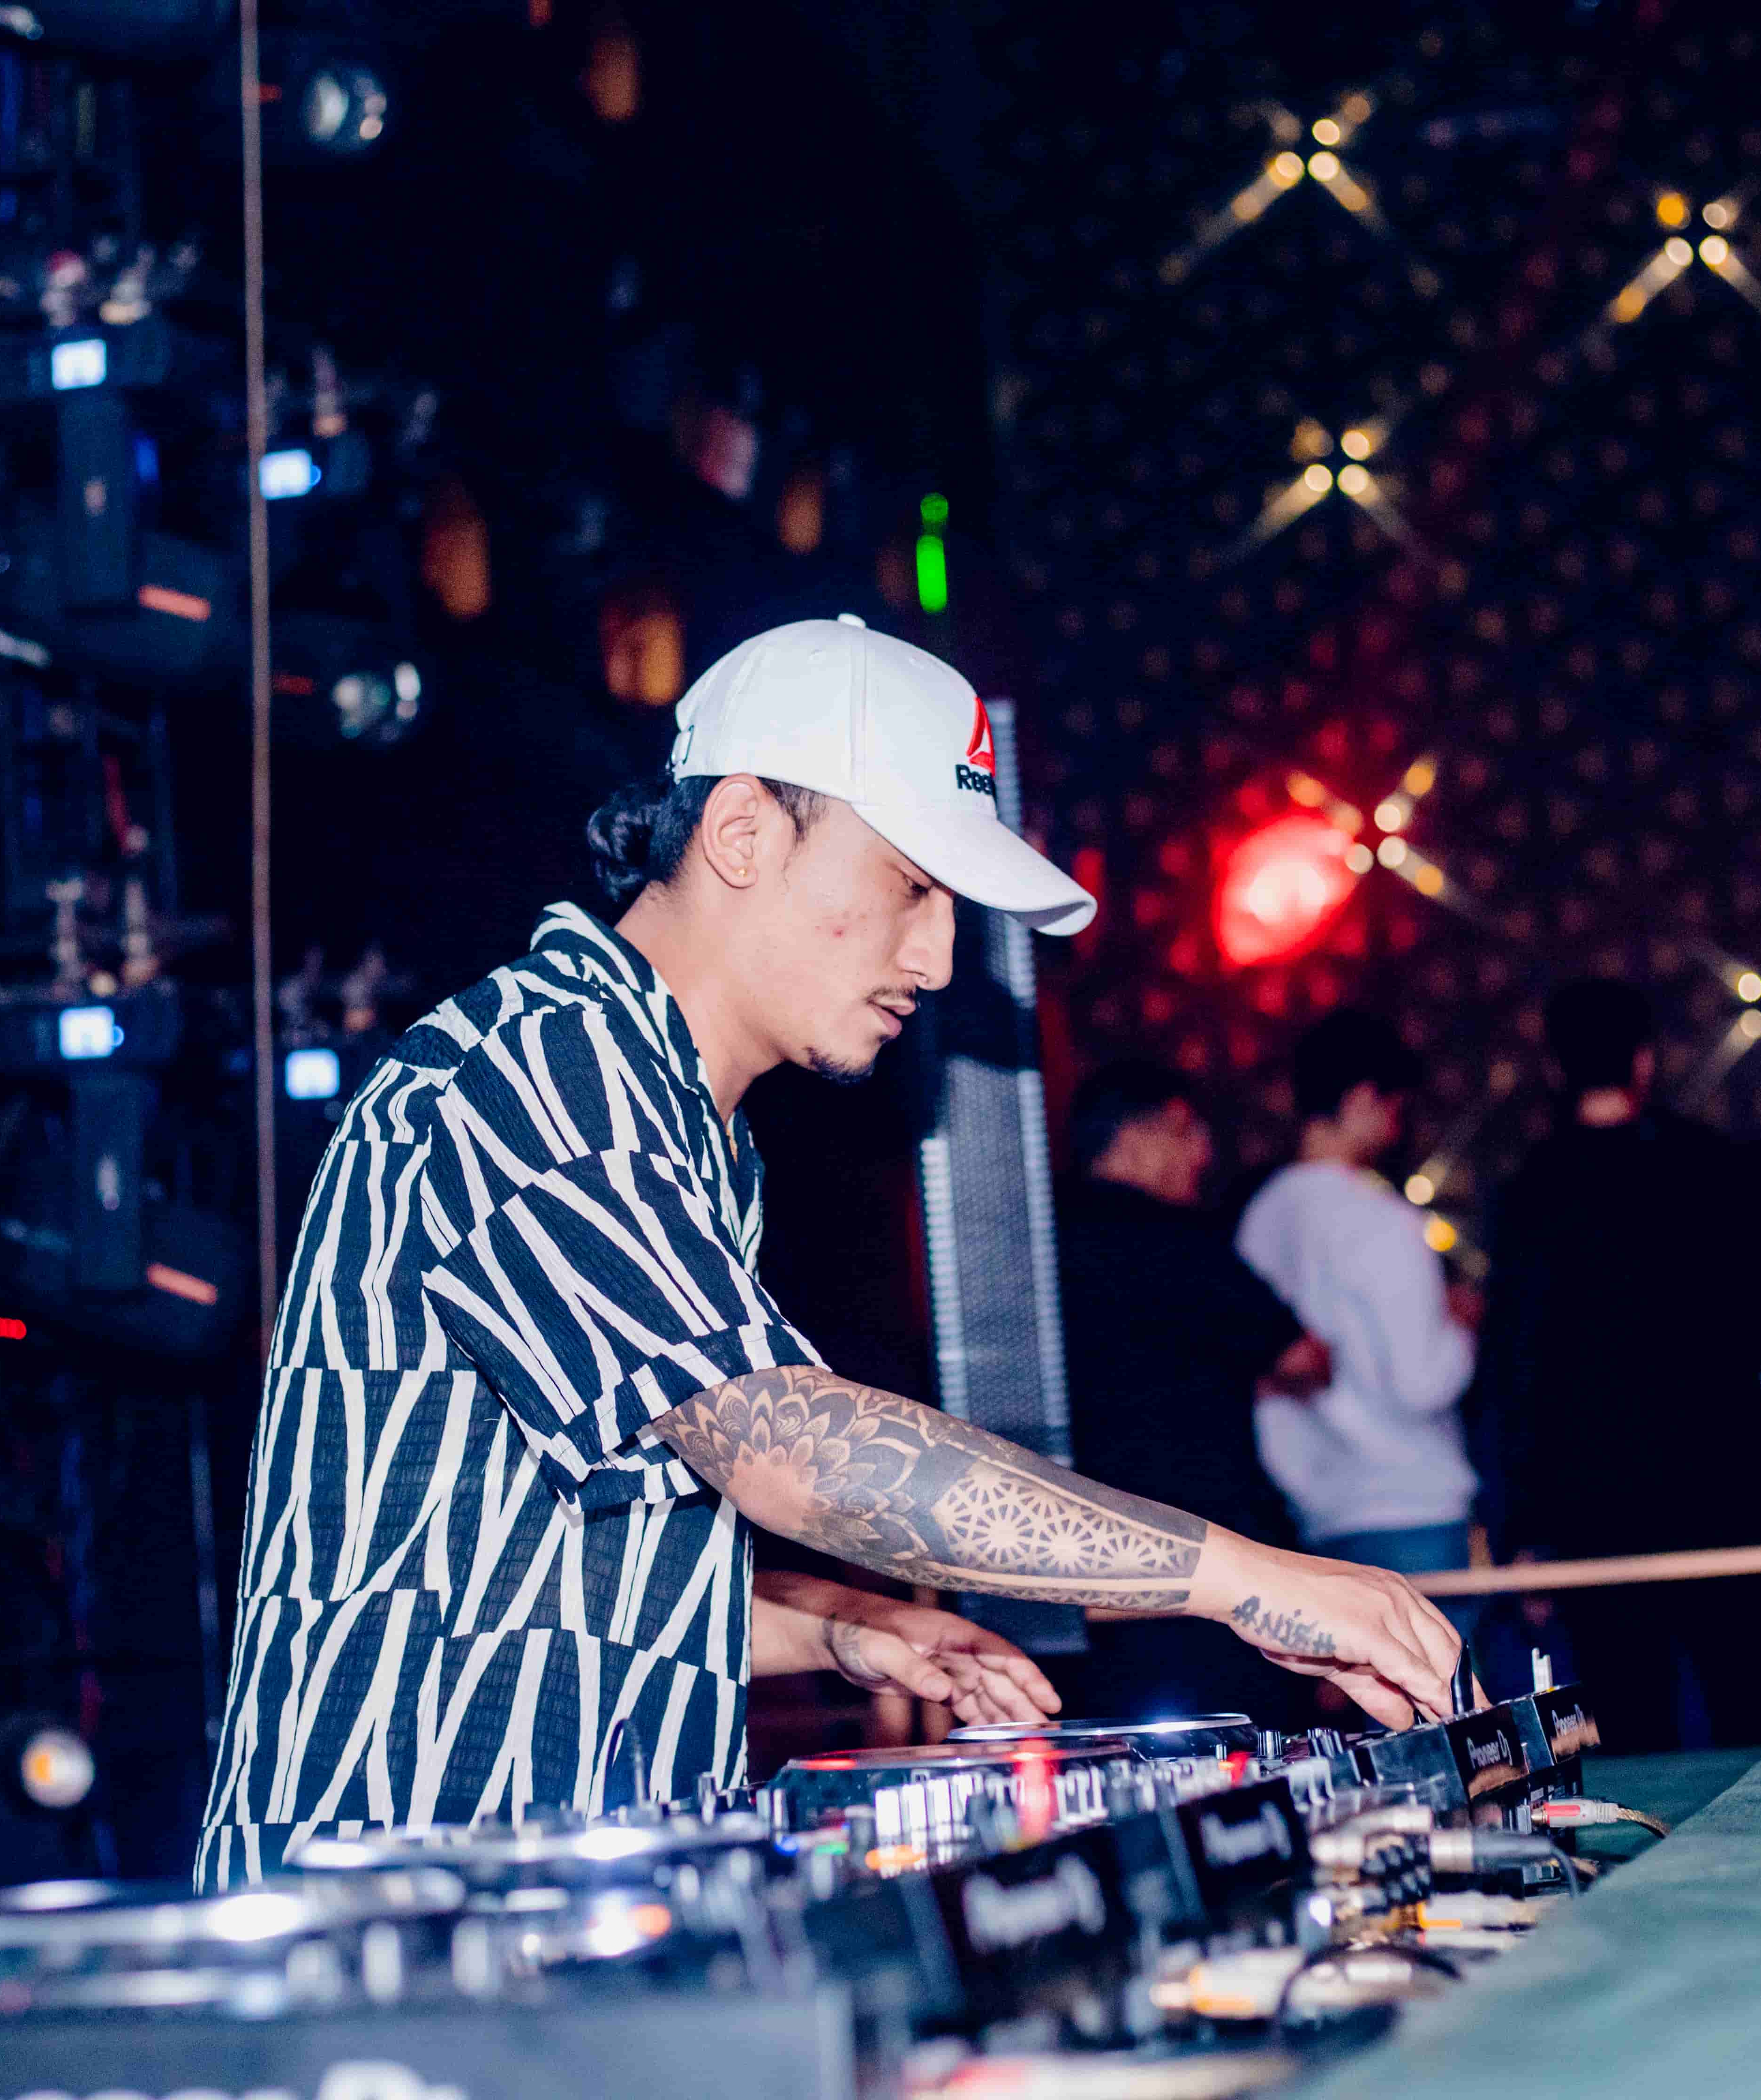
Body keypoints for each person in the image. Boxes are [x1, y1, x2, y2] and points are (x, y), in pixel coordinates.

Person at [197, 618, 1462, 1877]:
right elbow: (790, 1445)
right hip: (371, 1915)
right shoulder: (541, 1067)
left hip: (529, 1906)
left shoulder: (679, 1125)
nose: (940, 958)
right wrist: (1242, 1577)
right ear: (743, 831)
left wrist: (843, 1625)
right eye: (912, 885)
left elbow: (538, 1563)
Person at [1470, 979, 1761, 1751]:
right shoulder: (1717, 1167)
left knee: (1631, 1732)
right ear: (1645, 1061)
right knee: (1756, 1715)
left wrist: (1518, 1526)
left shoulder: (1532, 1192)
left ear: (1556, 1069)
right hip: (1725, 1485)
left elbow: (1513, 1374)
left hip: (1598, 1505)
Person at [1051, 1060, 1323, 1723]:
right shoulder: (1178, 1241)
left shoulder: (1034, 1245)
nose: (1202, 1154)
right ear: (1134, 1137)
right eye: (1187, 1132)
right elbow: (1302, 1358)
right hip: (1204, 1541)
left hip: (1072, 1552)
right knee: (1244, 1750)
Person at [1234, 1013, 1481, 1635]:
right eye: (1396, 1108)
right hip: (1410, 1503)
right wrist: (1462, 1326)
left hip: (1312, 1512)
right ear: (1364, 1099)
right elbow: (1421, 1382)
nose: (1398, 1127)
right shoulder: (1380, 1218)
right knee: (1438, 1688)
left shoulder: (1256, 1223)